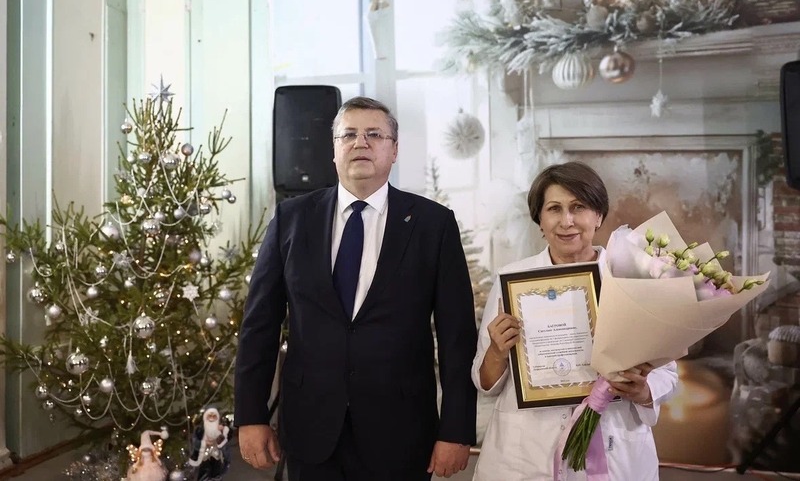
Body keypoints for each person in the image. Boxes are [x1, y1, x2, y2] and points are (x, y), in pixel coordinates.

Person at [235, 96, 478, 481]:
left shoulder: (433, 225)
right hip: (310, 431)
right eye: (348, 134)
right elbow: (259, 326)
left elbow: (457, 338)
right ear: (334, 150)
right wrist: (251, 416)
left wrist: (456, 430)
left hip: (401, 432)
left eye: (374, 135)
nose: (360, 142)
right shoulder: (291, 219)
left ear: (394, 150)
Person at [472, 161, 679, 481]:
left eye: (578, 207)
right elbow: (485, 382)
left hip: (613, 440)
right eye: (554, 209)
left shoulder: (633, 278)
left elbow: (667, 372)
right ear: (539, 220)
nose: (566, 221)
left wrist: (643, 390)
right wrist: (497, 352)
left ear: (598, 216)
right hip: (525, 453)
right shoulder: (512, 282)